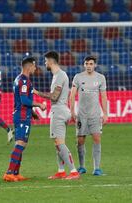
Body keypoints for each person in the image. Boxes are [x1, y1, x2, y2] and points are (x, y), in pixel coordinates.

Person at [34, 51, 80, 180]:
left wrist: (37, 92)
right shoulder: (57, 76)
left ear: (50, 60)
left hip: (59, 111)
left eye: (45, 61)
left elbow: (54, 96)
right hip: (61, 110)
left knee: (59, 143)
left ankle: (73, 171)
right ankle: (61, 171)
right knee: (58, 143)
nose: (44, 63)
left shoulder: (60, 75)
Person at [3, 57, 46, 182]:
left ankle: (16, 173)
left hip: (23, 114)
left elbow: (21, 101)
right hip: (21, 116)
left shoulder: (19, 79)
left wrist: (32, 113)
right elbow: (24, 101)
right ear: (29, 66)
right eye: (34, 66)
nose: (35, 68)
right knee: (20, 144)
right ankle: (9, 173)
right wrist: (39, 105)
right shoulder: (24, 81)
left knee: (22, 144)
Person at [70, 56, 108, 176]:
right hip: (81, 115)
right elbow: (72, 95)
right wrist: (72, 111)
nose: (89, 66)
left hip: (95, 115)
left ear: (95, 65)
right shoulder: (78, 77)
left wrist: (105, 113)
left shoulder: (100, 78)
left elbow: (103, 97)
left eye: (91, 64)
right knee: (80, 141)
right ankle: (82, 167)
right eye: (86, 63)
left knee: (97, 139)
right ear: (84, 65)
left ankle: (97, 168)